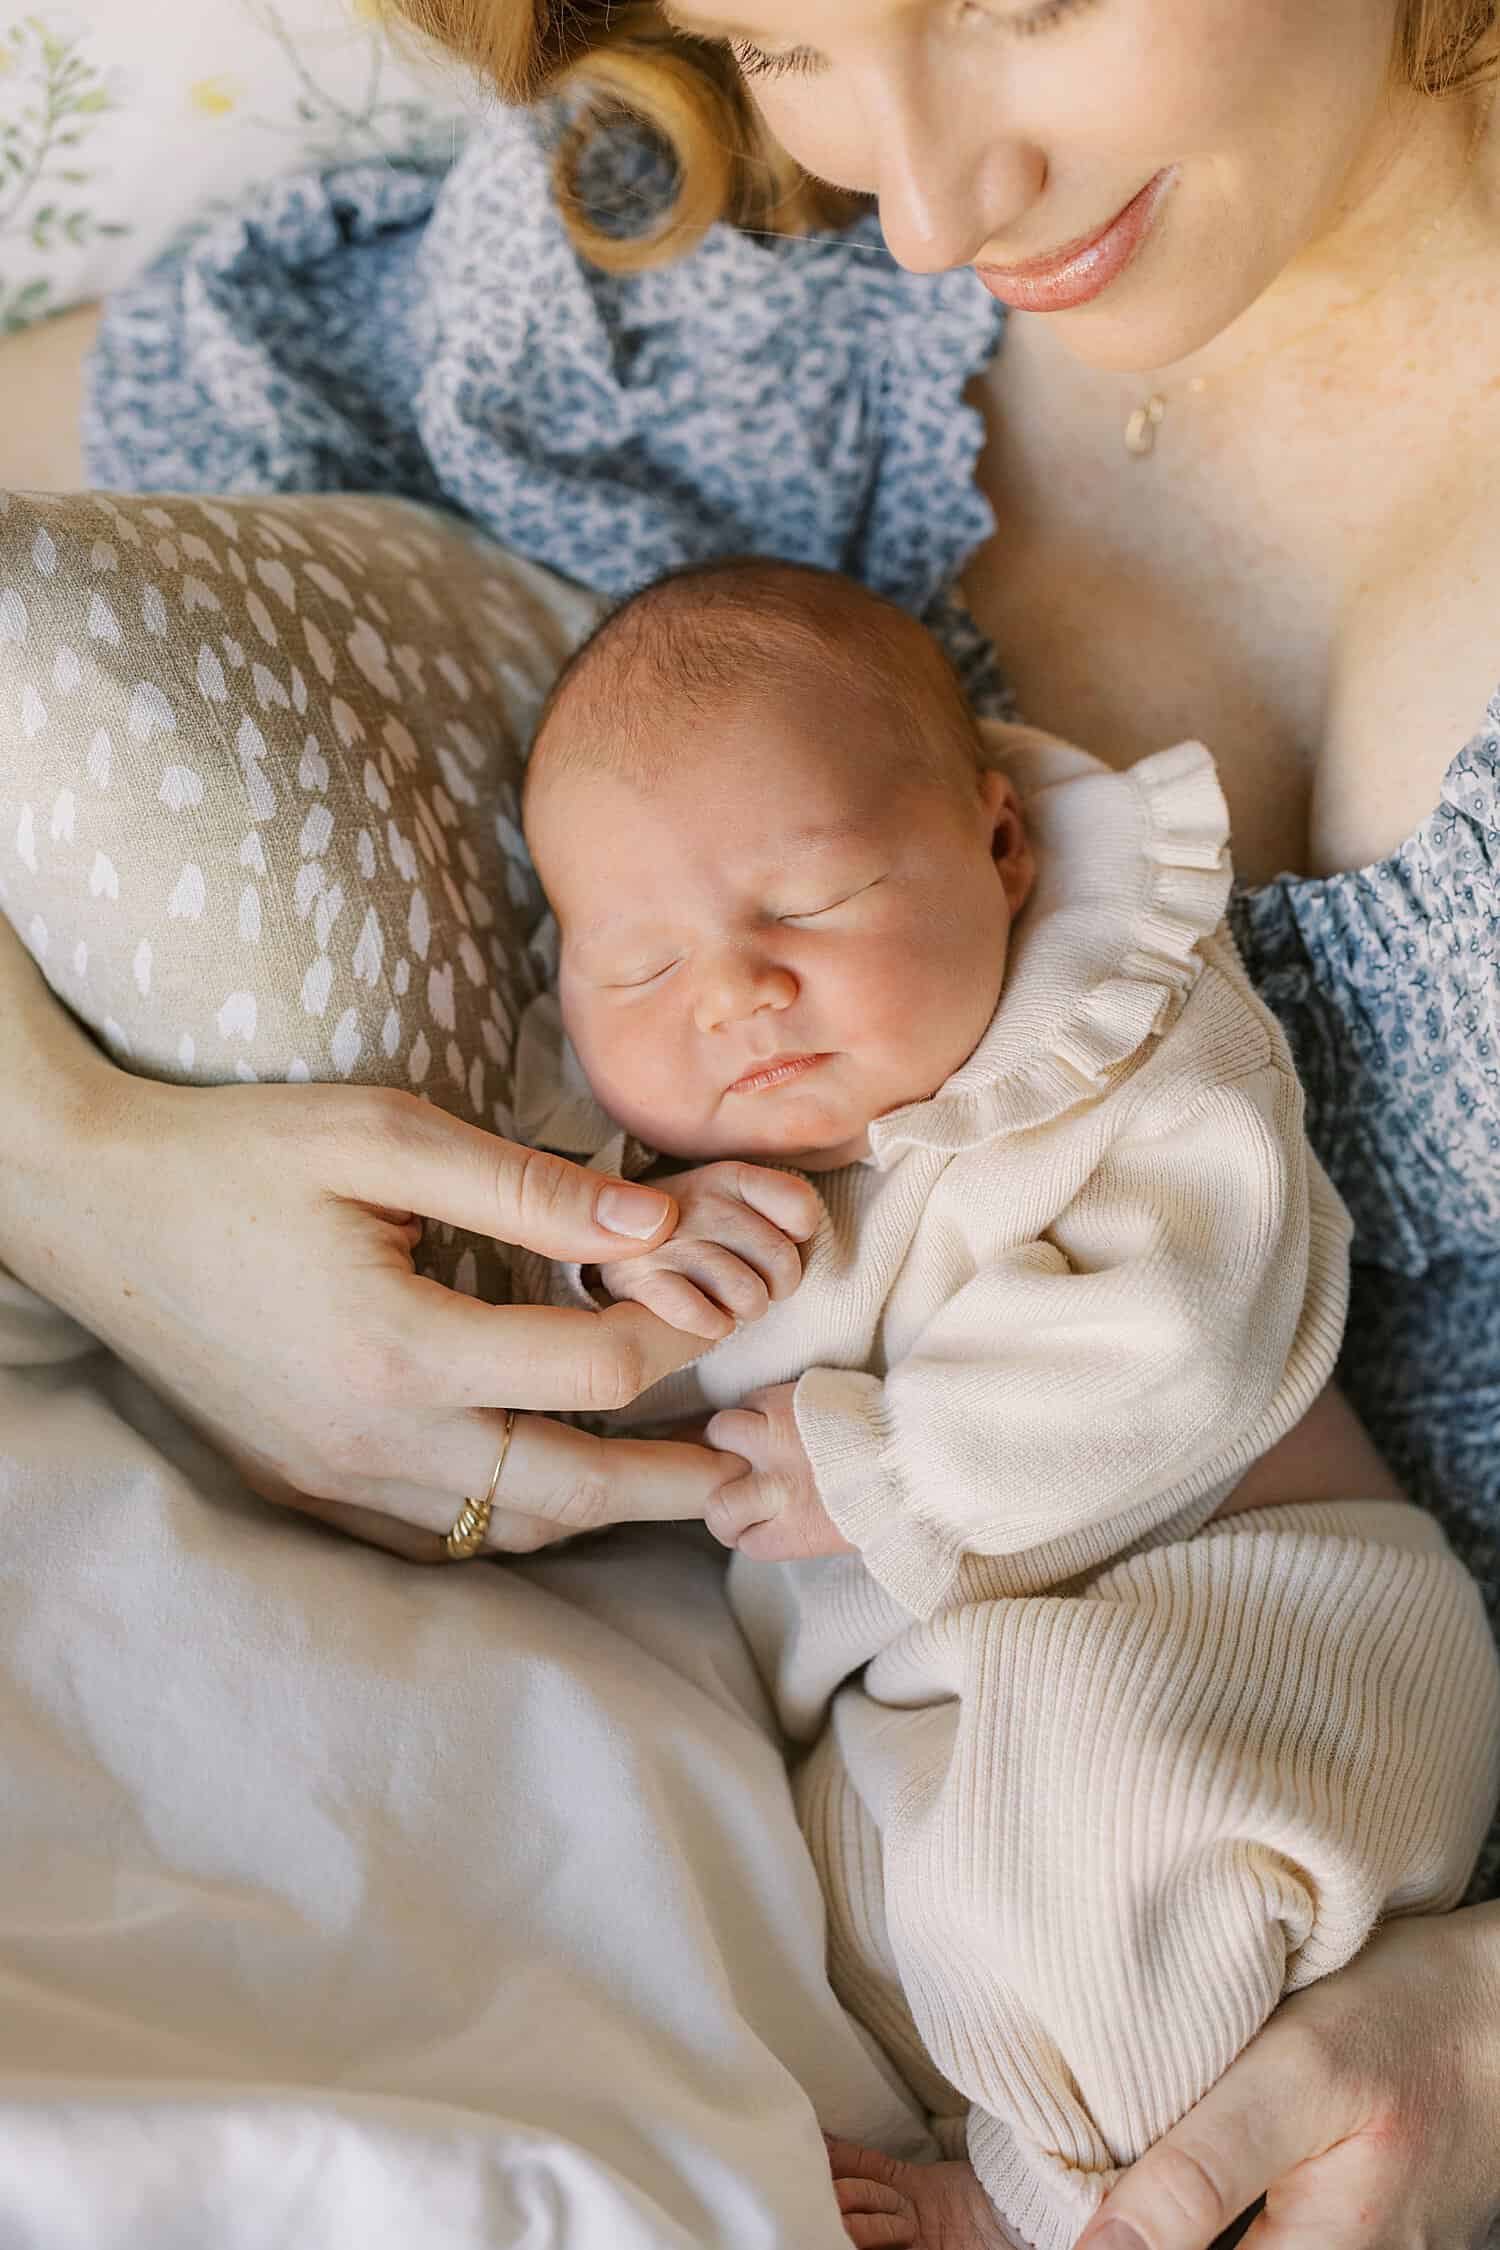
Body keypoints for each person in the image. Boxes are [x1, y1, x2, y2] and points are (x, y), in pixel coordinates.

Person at [3, 0, 1499, 2240]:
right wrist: (76, 1172)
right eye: (776, 32)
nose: (920, 202)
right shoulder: (697, 278)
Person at [510, 552, 1500, 2249]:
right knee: (865, 1918)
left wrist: (895, 1461)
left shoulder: (1121, 1042)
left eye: (807, 904)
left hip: (1245, 1630)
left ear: (1001, 844)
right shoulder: (693, 1185)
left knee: (1113, 1839)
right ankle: (1009, 2136)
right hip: (939, 1712)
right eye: (643, 968)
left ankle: (1047, 2205)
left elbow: (1182, 1333)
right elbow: (589, 1411)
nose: (736, 994)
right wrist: (616, 1269)